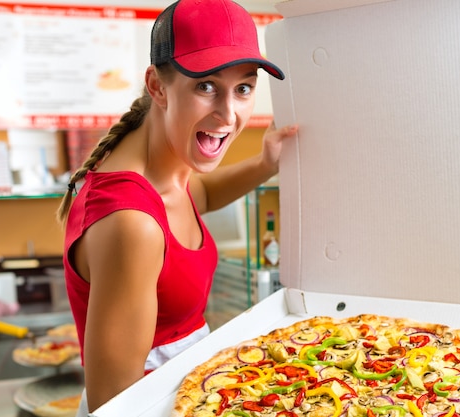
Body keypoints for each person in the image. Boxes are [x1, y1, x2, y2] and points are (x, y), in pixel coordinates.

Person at [56, 0, 298, 413]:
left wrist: (263, 164)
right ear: (157, 86)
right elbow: (113, 404)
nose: (228, 114)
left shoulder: (164, 174)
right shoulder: (131, 223)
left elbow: (196, 197)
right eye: (205, 86)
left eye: (243, 88)